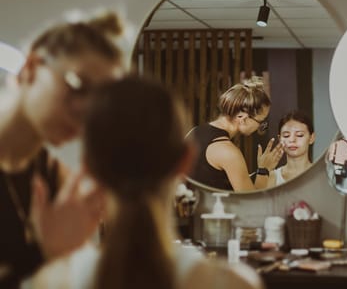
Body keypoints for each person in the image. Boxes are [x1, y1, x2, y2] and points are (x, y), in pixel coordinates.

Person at [23, 76, 263, 289]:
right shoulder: (234, 283)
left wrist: (54, 258)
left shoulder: (53, 281)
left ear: (88, 166)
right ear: (185, 162)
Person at [0, 11, 126, 288]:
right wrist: (46, 254)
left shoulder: (52, 176)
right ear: (31, 68)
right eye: (77, 86)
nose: (85, 112)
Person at [188, 77, 283, 192]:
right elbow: (251, 202)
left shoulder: (193, 132)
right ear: (242, 118)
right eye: (261, 121)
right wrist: (264, 170)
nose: (260, 126)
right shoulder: (228, 152)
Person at [267, 110, 316, 188]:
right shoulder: (272, 177)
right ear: (279, 139)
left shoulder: (322, 174)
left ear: (311, 138)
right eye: (286, 136)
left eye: (299, 135)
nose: (292, 140)